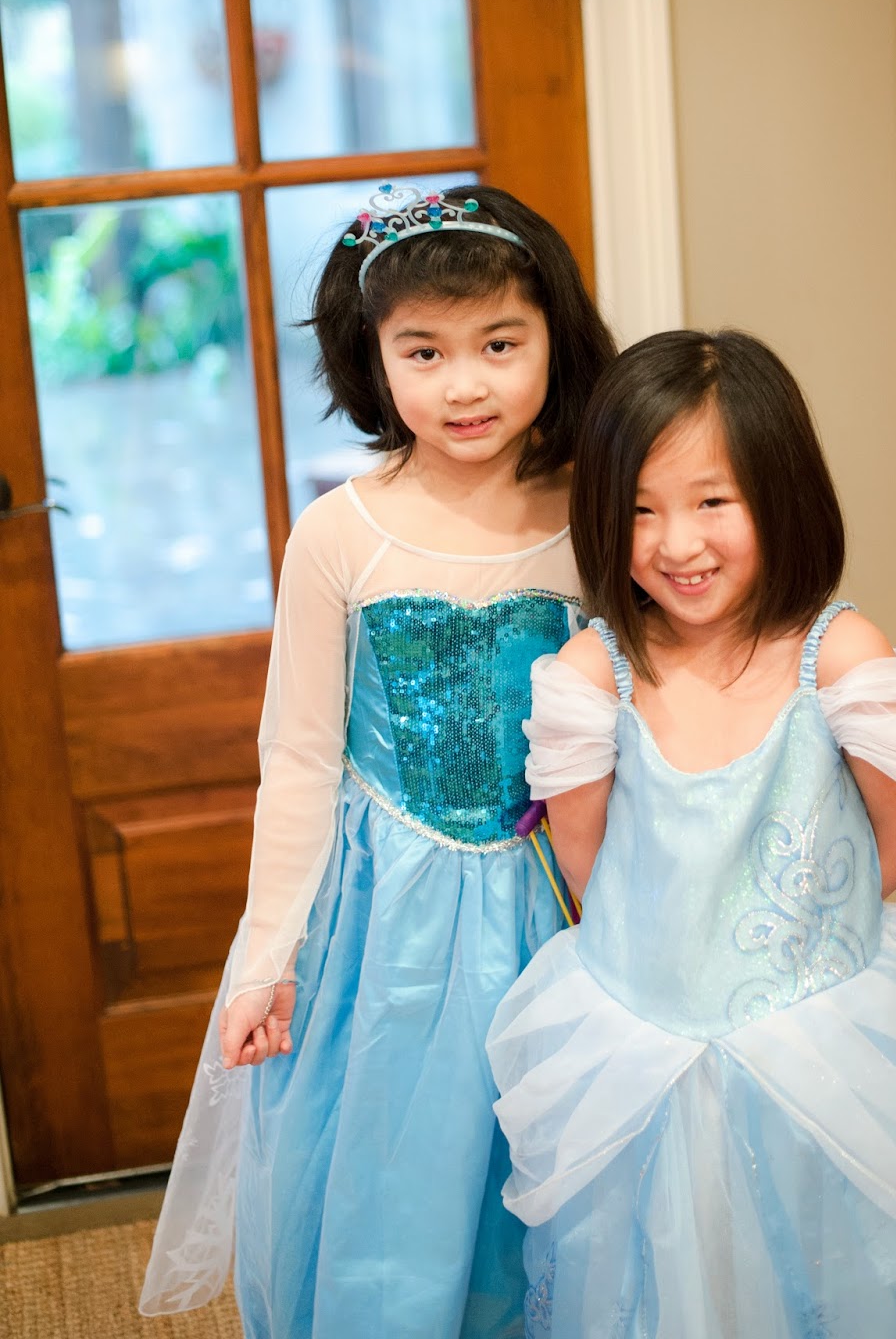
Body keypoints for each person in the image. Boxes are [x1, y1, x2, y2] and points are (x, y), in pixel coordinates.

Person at [140, 183, 616, 1338]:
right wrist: (267, 956)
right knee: (402, 1181)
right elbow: (299, 759)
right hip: (389, 924)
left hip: (564, 899)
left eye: (500, 343)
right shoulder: (340, 534)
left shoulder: (599, 514)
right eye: (425, 351)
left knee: (555, 1176)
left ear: (554, 334)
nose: (465, 384)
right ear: (374, 355)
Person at [486, 329, 896, 1339]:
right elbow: (586, 861)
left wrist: (789, 940)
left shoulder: (840, 657)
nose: (675, 543)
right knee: (662, 1279)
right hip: (645, 1046)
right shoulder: (593, 676)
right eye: (639, 509)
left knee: (835, 1271)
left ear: (781, 494)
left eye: (711, 502)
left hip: (818, 1042)